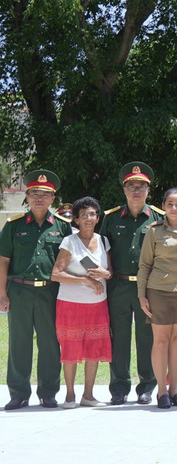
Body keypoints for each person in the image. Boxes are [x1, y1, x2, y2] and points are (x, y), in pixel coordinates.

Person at [1, 169, 69, 409]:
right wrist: (2, 293)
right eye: (35, 193)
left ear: (53, 199)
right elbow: (3, 261)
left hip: (50, 292)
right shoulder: (14, 226)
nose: (39, 198)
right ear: (27, 196)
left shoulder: (62, 227)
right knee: (19, 342)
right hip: (19, 291)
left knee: (50, 342)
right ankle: (18, 393)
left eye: (45, 194)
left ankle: (48, 392)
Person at [100, 161, 161, 405]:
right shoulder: (111, 218)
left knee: (147, 338)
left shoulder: (158, 218)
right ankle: (119, 387)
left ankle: (147, 386)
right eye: (131, 186)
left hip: (148, 288)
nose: (136, 191)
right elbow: (102, 250)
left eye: (141, 186)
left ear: (148, 190)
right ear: (124, 189)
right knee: (119, 338)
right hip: (119, 286)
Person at [137, 187, 177, 408]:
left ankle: (174, 391)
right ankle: (161, 391)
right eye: (169, 204)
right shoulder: (154, 231)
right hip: (159, 291)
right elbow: (145, 265)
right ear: (163, 206)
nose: (173, 208)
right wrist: (141, 295)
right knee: (161, 340)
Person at [51, 196, 113, 407]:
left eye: (92, 214)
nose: (88, 218)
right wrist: (85, 279)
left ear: (98, 218)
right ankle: (70, 395)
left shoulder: (103, 241)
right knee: (71, 348)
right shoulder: (70, 242)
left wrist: (105, 273)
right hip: (71, 303)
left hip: (97, 304)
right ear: (76, 219)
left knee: (94, 349)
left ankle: (88, 395)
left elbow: (110, 273)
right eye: (83, 215)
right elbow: (56, 274)